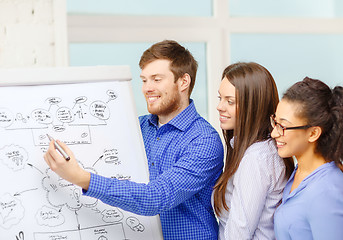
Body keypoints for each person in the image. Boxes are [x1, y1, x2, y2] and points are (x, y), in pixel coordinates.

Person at [44, 40, 224, 240]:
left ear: (183, 82)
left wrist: (80, 177)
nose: (147, 88)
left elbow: (156, 197)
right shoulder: (136, 128)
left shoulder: (204, 141)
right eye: (144, 80)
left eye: (156, 79)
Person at [212, 62, 294, 240]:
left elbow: (238, 234)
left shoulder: (256, 158)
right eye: (220, 98)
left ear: (253, 106)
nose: (220, 106)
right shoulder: (260, 149)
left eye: (230, 101)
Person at [271, 77, 343, 240]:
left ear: (313, 133)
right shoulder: (300, 171)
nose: (275, 133)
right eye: (275, 122)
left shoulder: (326, 193)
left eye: (283, 126)